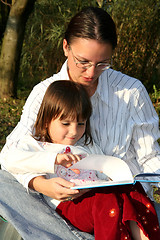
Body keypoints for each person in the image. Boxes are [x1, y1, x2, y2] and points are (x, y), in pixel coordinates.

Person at [0, 6, 160, 240]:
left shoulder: (131, 92)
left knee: (127, 202)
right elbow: (12, 154)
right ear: (66, 47)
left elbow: (149, 158)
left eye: (102, 63)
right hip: (63, 203)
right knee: (4, 183)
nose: (91, 72)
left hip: (126, 199)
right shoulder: (44, 92)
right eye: (82, 62)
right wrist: (41, 185)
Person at [4, 80, 160, 240]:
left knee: (134, 192)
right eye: (66, 123)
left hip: (95, 198)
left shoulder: (87, 144)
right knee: (106, 201)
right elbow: (10, 159)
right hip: (68, 205)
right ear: (46, 120)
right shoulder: (36, 145)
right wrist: (54, 160)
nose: (74, 131)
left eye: (81, 123)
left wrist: (113, 180)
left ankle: (145, 236)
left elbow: (102, 170)